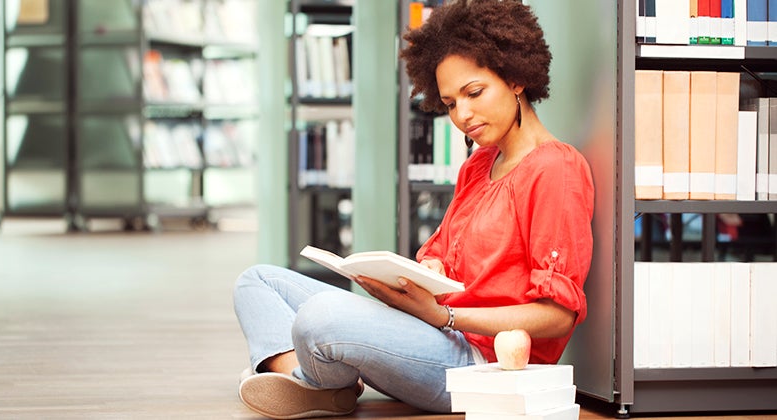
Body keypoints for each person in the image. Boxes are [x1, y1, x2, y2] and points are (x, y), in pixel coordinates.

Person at [232, 0, 594, 418]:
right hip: (432, 329)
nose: (463, 115)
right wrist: (430, 274)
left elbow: (557, 317)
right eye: (451, 103)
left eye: (474, 93)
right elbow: (442, 251)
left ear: (516, 79)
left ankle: (309, 378)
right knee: (256, 282)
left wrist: (446, 316)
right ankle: (316, 382)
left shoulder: (556, 169)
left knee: (319, 316)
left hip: (481, 364)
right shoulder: (480, 164)